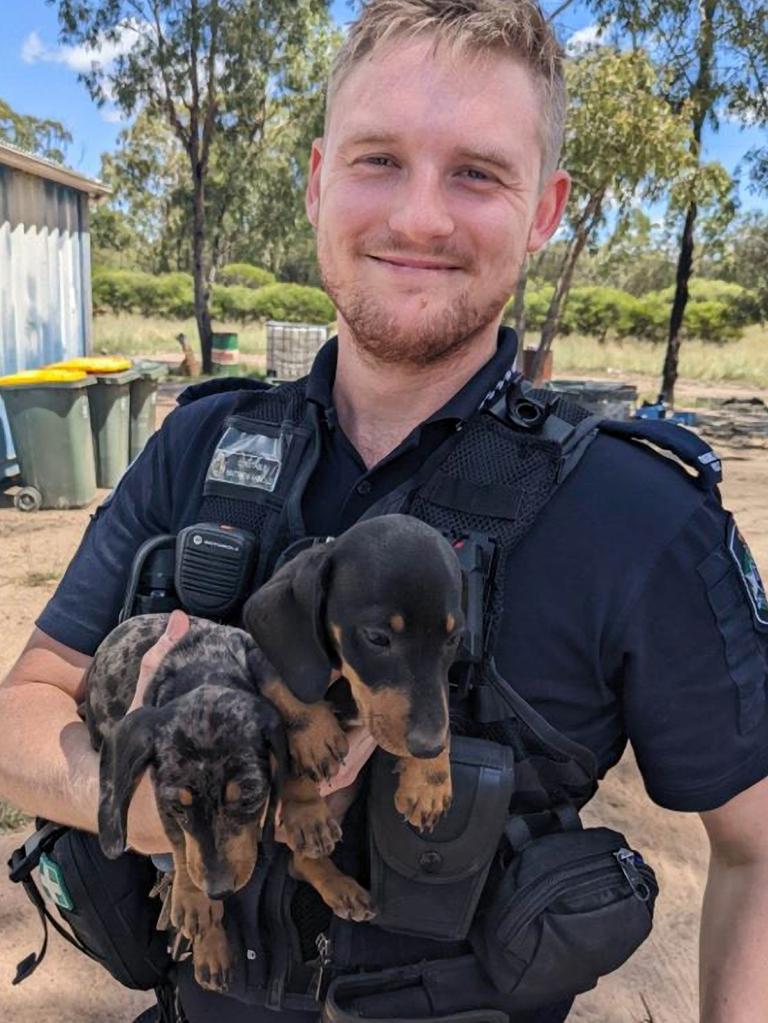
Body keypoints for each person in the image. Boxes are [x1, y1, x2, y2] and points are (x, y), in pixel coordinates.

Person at [2, 1, 768, 1021]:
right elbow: (26, 709)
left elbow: (758, 852)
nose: (418, 217)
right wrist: (172, 809)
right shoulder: (200, 446)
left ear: (546, 210)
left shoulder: (640, 517)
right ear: (319, 181)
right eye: (377, 161)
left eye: (478, 172)